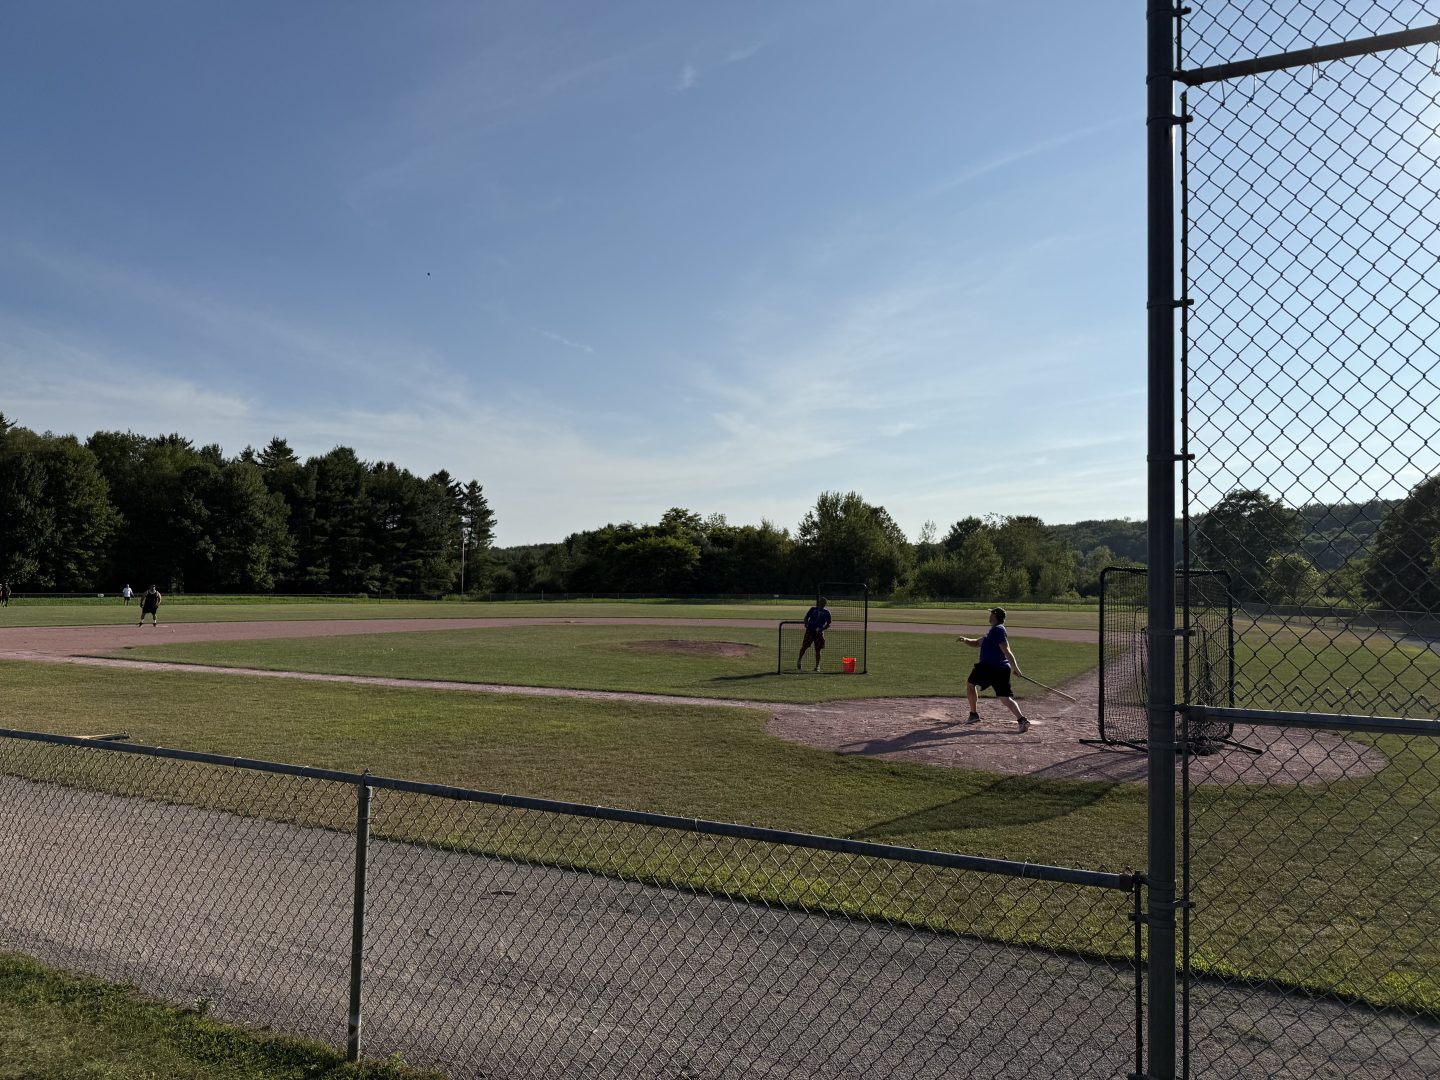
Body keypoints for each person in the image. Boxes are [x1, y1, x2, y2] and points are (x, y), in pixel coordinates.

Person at [957, 607, 1030, 732]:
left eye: (991, 613)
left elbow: (1006, 650)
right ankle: (1022, 720)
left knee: (970, 684)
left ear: (995, 615)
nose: (989, 615)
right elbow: (977, 642)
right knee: (1005, 698)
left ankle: (974, 714)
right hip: (999, 669)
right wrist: (965, 640)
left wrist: (1016, 668)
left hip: (990, 667)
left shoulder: (998, 630)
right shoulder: (993, 632)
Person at [796, 596, 832, 671]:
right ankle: (799, 661)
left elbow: (829, 624)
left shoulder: (827, 612)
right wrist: (805, 623)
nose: (821, 604)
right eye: (820, 602)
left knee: (818, 650)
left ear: (825, 604)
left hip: (819, 633)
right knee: (804, 647)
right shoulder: (813, 609)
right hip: (810, 631)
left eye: (823, 603)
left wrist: (822, 629)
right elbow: (806, 617)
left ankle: (817, 666)